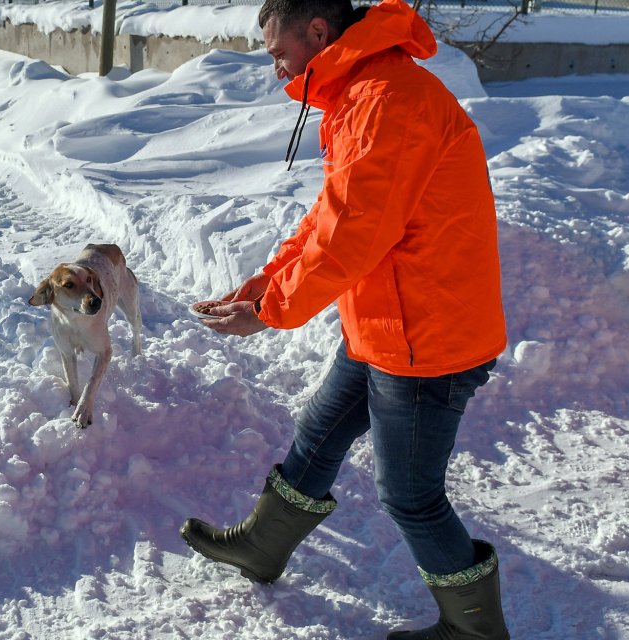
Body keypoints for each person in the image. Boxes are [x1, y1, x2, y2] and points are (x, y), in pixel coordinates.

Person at [179, 0, 510, 638]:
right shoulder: (362, 93)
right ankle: (263, 546)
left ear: (320, 33)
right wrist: (265, 283)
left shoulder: (386, 99)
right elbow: (331, 216)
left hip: (424, 338)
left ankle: (475, 630)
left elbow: (351, 237)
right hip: (386, 321)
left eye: (279, 51)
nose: (276, 68)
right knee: (319, 435)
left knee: (411, 496)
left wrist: (272, 312)